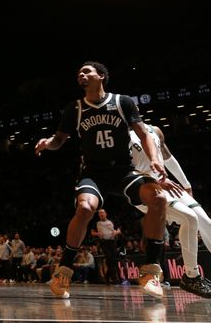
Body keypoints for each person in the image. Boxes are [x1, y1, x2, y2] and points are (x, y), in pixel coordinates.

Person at [35, 61, 177, 299]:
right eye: (79, 72)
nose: (81, 73)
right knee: (85, 207)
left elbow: (144, 134)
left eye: (87, 71)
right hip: (93, 172)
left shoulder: (123, 102)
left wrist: (156, 159)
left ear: (101, 76)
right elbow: (60, 139)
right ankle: (64, 271)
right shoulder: (76, 108)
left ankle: (150, 272)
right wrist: (48, 143)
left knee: (158, 198)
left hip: (123, 170)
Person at [129, 123, 211, 297]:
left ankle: (191, 277)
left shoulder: (154, 130)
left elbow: (167, 157)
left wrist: (186, 183)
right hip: (147, 189)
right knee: (189, 218)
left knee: (206, 222)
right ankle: (191, 276)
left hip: (169, 186)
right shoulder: (121, 135)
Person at [90, 208, 122, 285]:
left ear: (105, 214)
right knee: (109, 258)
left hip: (112, 241)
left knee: (113, 260)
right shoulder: (97, 223)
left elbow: (119, 230)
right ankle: (115, 279)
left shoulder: (111, 221)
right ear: (98, 215)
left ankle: (107, 277)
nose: (101, 214)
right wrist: (97, 234)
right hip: (104, 242)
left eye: (102, 213)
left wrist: (116, 232)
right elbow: (92, 232)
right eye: (100, 213)